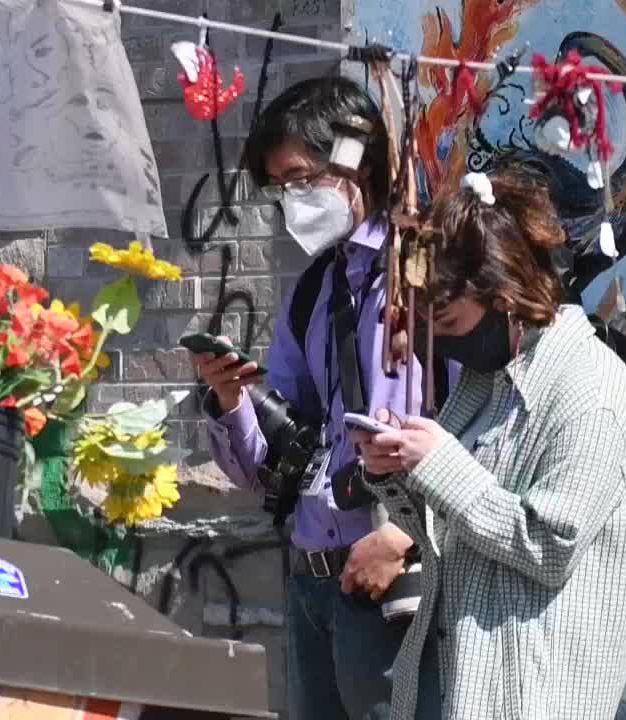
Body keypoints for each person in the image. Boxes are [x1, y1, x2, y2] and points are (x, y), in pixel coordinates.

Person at [351, 168, 626, 720]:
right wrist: (397, 470)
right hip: (463, 679)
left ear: (505, 294)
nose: (436, 338)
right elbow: (457, 531)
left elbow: (548, 544)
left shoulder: (591, 391)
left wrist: (443, 464)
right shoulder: (487, 381)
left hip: (533, 695)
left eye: (444, 318)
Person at [189, 75, 424, 720]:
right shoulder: (314, 289)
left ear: (354, 159)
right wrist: (231, 399)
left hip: (390, 572)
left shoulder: (423, 276)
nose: (294, 202)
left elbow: (473, 427)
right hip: (310, 576)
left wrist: (403, 535)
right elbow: (269, 459)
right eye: (281, 189)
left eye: (302, 179)